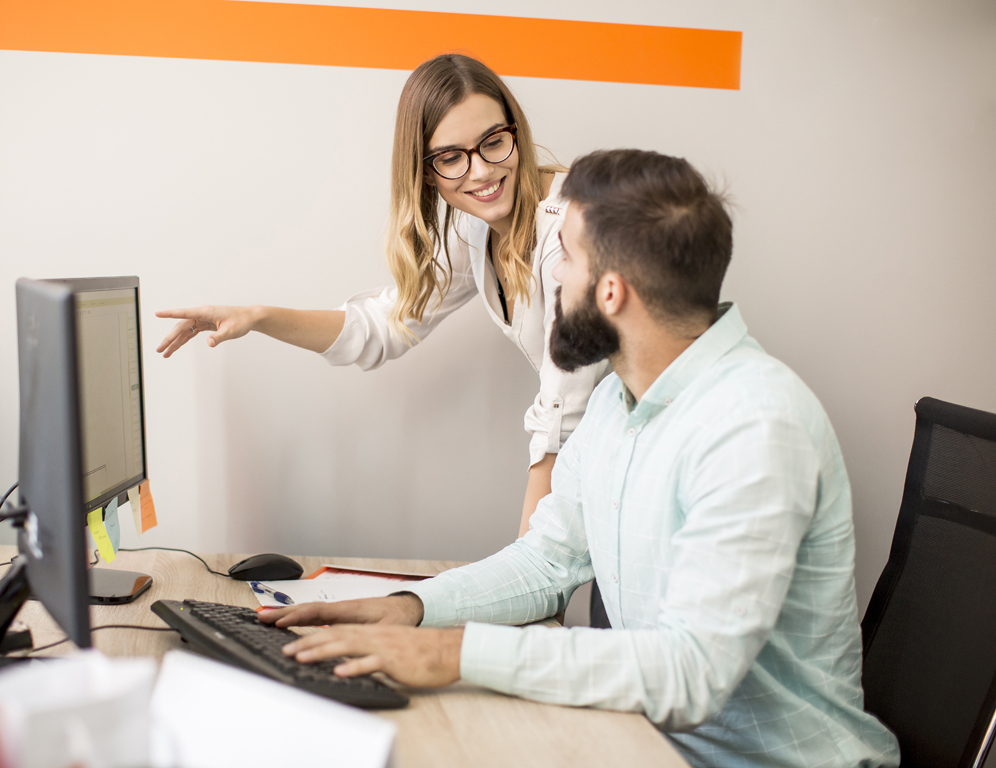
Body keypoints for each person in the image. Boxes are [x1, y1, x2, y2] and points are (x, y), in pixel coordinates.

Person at [259, 149, 901, 767]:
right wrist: (412, 607)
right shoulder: (617, 405)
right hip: (640, 744)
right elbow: (550, 559)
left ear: (612, 292)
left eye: (563, 255)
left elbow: (691, 673)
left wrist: (452, 656)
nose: (551, 275)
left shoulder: (753, 425)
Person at [156, 54, 609, 538]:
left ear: (514, 131)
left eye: (493, 142)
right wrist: (258, 316)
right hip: (604, 470)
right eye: (452, 157)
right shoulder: (478, 231)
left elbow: (561, 421)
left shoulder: (569, 234)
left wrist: (523, 582)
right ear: (426, 172)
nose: (480, 172)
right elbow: (385, 325)